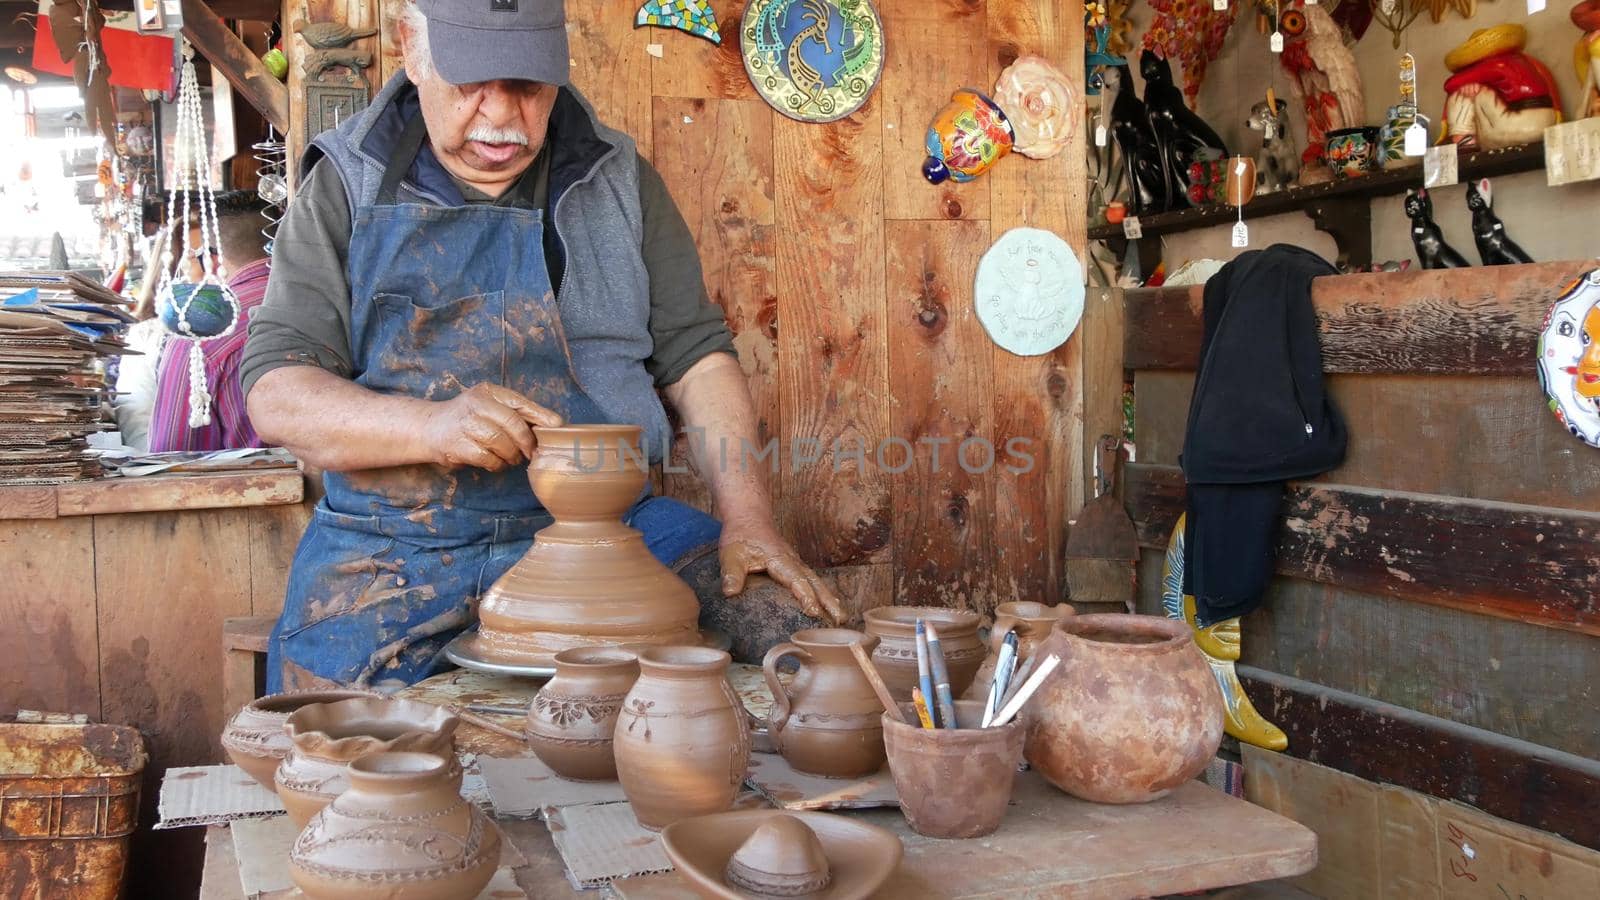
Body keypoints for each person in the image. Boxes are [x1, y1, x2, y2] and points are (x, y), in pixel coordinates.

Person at [242, 0, 842, 691]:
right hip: (398, 545)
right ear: (411, 48)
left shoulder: (615, 177)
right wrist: (431, 426)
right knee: (353, 755)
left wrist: (749, 518)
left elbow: (696, 356)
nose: (500, 116)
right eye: (472, 83)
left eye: (527, 85)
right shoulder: (347, 184)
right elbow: (279, 393)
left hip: (612, 528)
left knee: (795, 642)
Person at [147, 191, 273, 452]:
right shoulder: (339, 303)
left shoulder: (197, 332)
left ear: (212, 259)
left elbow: (172, 458)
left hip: (257, 489)